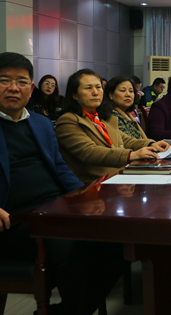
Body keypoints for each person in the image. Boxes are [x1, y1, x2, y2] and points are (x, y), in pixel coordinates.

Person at [0, 53, 126, 315]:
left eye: (21, 82)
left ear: (31, 88)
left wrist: (86, 197)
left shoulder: (41, 123)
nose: (13, 88)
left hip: (57, 208)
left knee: (119, 239)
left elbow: (60, 167)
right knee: (73, 246)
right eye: (4, 80)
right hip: (15, 220)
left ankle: (68, 311)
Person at [56, 69, 170, 182]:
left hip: (118, 176)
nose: (95, 92)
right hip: (95, 183)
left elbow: (125, 140)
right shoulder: (68, 120)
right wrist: (131, 155)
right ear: (74, 95)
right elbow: (89, 152)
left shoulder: (100, 117)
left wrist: (151, 144)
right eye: (88, 88)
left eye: (98, 87)